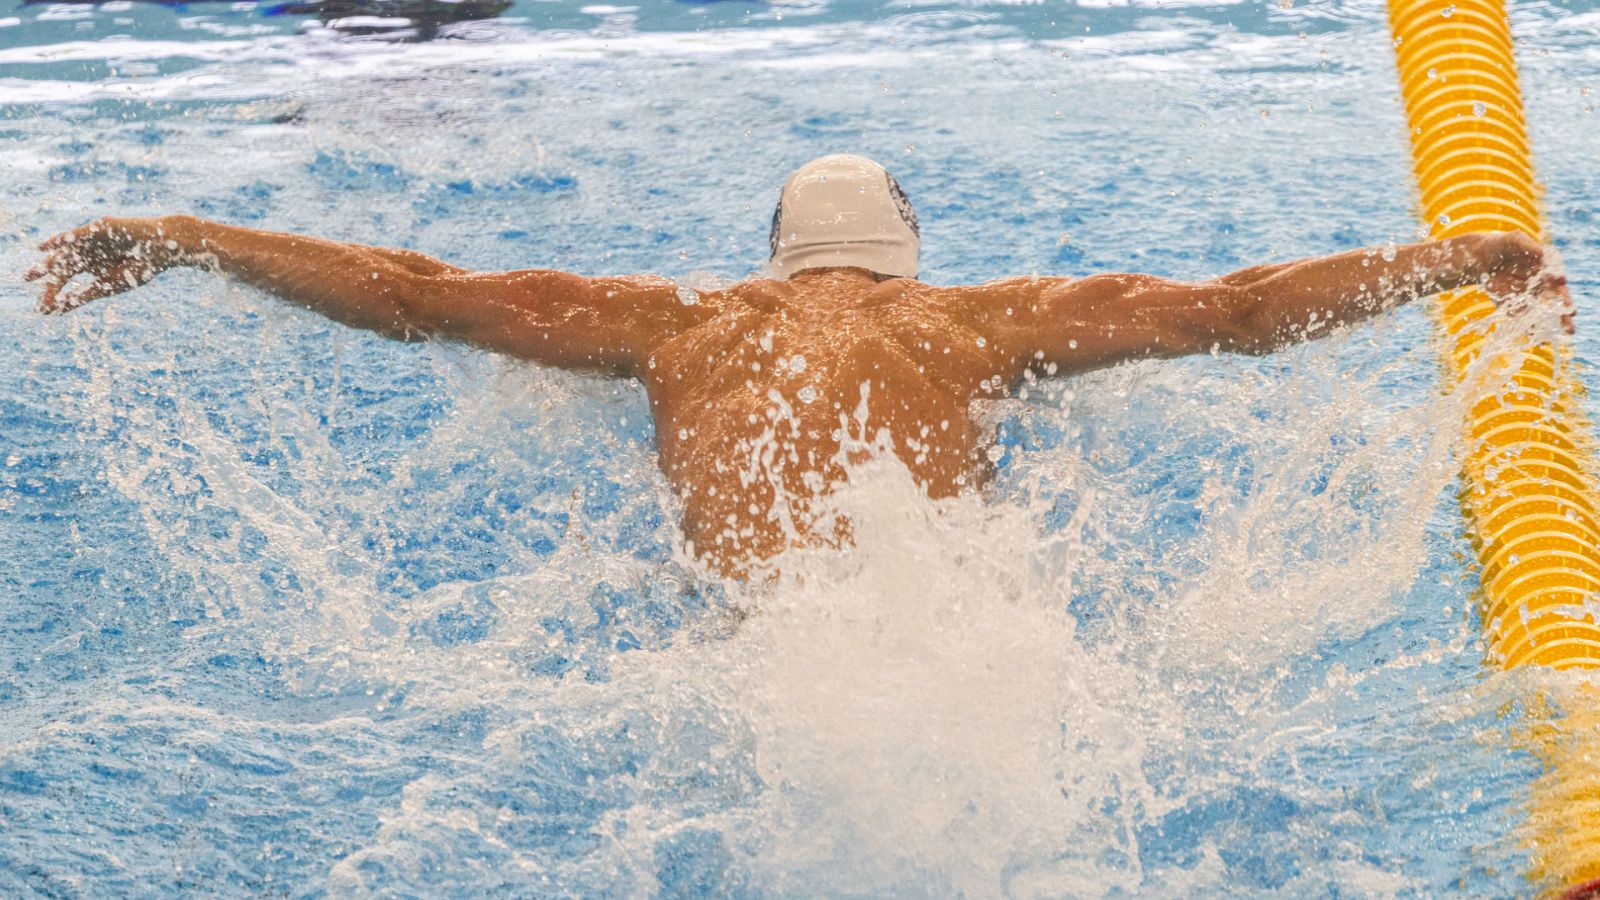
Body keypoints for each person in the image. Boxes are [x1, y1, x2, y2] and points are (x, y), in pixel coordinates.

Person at [28, 154, 1573, 577]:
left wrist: (183, 234)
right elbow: (1236, 309)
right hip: (938, 643)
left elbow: (412, 291)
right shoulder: (978, 326)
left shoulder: (672, 322)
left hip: (743, 672)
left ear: (775, 254)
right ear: (911, 253)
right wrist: (1459, 257)